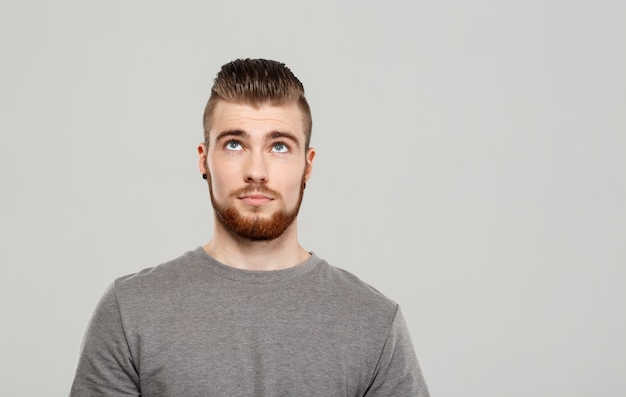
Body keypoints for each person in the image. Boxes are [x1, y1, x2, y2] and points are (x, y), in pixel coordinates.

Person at [70, 58, 430, 397]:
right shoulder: (130, 311)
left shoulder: (374, 323)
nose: (256, 171)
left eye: (279, 146)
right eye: (234, 144)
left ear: (307, 165)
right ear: (203, 159)